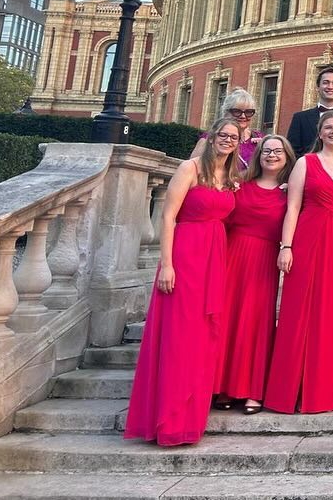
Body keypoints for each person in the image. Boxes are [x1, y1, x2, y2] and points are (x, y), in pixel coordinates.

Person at [124, 117, 239, 445]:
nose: (228, 140)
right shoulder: (190, 168)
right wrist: (168, 265)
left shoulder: (231, 178)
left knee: (204, 336)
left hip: (215, 259)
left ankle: (191, 418)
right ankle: (168, 421)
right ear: (212, 136)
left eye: (234, 137)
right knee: (180, 335)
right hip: (186, 257)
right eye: (223, 135)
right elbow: (168, 216)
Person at [263, 110, 333, 414]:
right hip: (308, 240)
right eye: (328, 127)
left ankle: (320, 393)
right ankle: (287, 391)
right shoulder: (304, 163)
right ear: (320, 132)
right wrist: (286, 246)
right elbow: (293, 206)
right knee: (298, 312)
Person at [214, 134, 293, 413]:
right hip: (232, 257)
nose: (272, 155)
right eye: (267, 150)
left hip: (263, 261)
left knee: (256, 323)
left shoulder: (290, 191)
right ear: (259, 155)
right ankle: (222, 386)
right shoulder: (240, 185)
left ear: (287, 157)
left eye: (278, 151)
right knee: (228, 319)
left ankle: (252, 390)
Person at [285, 67, 333, 155]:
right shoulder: (300, 118)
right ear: (318, 87)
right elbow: (291, 152)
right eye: (326, 83)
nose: (330, 87)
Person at [190, 88, 264, 169]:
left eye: (248, 112)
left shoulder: (259, 138)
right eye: (237, 111)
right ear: (226, 113)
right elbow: (193, 168)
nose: (243, 116)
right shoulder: (211, 138)